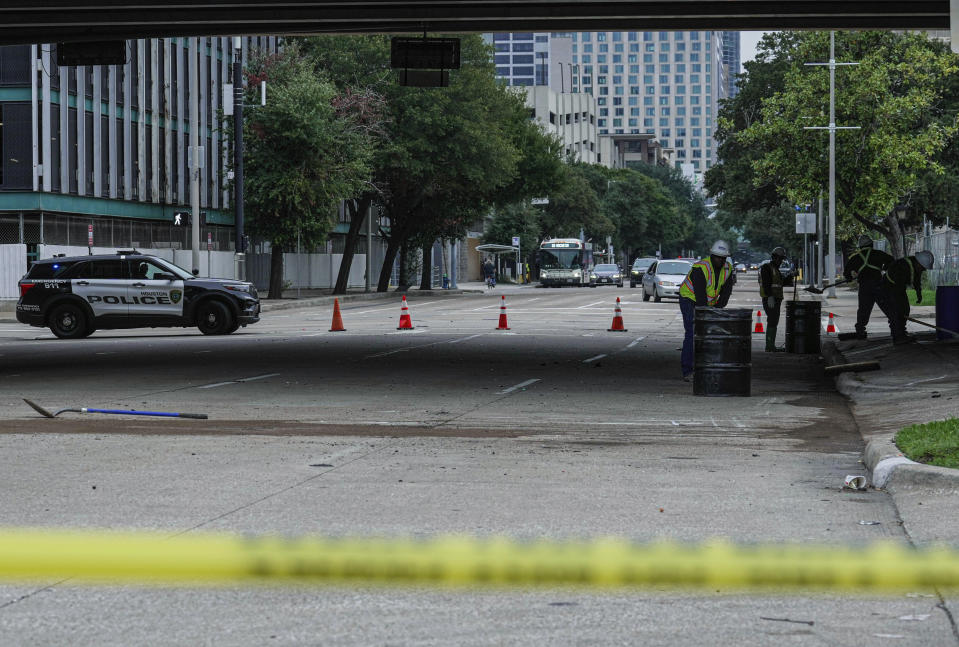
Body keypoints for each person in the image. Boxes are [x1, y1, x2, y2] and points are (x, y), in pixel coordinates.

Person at [678, 240, 734, 381]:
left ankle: (705, 367)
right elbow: (700, 296)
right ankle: (688, 371)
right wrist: (707, 313)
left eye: (723, 258)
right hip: (689, 298)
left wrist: (717, 310)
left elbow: (726, 293)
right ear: (711, 255)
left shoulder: (728, 269)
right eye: (717, 257)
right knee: (692, 332)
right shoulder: (700, 267)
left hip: (708, 302)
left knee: (708, 334)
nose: (720, 260)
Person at [844, 235, 893, 339]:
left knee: (863, 309)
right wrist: (884, 268)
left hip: (864, 287)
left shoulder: (855, 258)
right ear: (871, 244)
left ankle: (860, 330)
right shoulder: (878, 254)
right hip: (878, 285)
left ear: (860, 247)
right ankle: (896, 328)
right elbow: (891, 259)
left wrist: (848, 277)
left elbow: (847, 271)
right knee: (888, 307)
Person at [883, 250, 934, 344]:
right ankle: (898, 336)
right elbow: (898, 286)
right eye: (923, 268)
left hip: (897, 287)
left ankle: (900, 332)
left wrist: (919, 294)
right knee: (897, 311)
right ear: (919, 263)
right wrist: (898, 304)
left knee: (904, 309)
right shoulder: (902, 266)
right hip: (887, 287)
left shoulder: (915, 266)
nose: (924, 270)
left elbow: (916, 280)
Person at [759, 246, 793, 352]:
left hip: (776, 299)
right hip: (770, 299)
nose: (781, 261)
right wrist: (769, 296)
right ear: (775, 258)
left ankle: (771, 345)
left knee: (774, 320)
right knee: (772, 320)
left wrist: (791, 276)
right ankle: (769, 346)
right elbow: (766, 283)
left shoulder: (776, 270)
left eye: (782, 259)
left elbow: (781, 283)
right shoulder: (766, 268)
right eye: (780, 259)